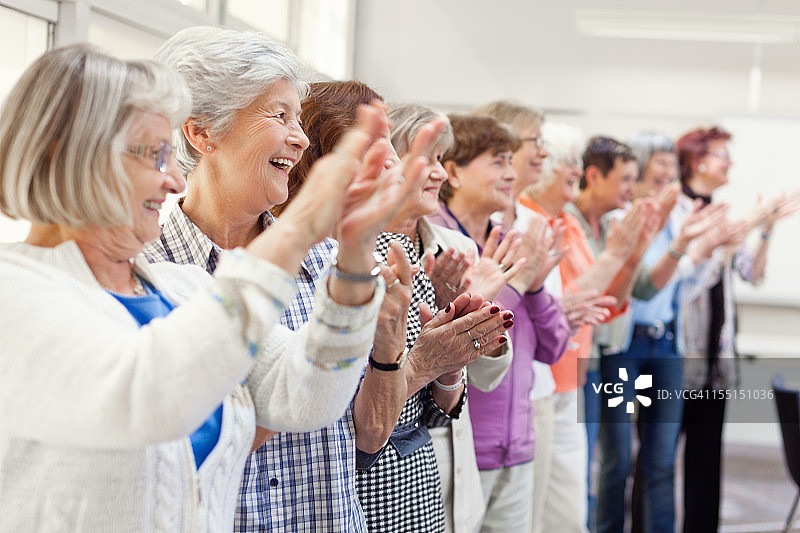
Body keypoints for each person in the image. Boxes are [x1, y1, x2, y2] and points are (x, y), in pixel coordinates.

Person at [0, 43, 417, 532]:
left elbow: (307, 398)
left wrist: (351, 260)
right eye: (155, 155)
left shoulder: (181, 286)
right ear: (72, 153)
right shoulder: (17, 289)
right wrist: (299, 227)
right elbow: (152, 394)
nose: (176, 179)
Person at [471, 101, 616, 533]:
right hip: (491, 400)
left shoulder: (536, 222)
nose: (542, 153)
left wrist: (547, 305)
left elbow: (549, 332)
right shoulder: (480, 226)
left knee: (544, 520)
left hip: (538, 386)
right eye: (533, 141)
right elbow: (489, 318)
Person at [428, 113, 572, 533]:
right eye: (497, 162)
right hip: (463, 444)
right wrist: (510, 288)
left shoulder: (511, 241)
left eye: (512, 161)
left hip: (518, 441)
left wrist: (535, 287)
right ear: (453, 172)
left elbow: (552, 347)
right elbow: (445, 350)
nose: (511, 174)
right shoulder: (438, 245)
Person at [388, 103, 524, 533]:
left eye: (441, 161)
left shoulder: (455, 245)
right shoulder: (353, 251)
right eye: (426, 159)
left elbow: (490, 373)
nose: (441, 174)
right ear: (385, 162)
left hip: (449, 460)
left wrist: (476, 317)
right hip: (386, 475)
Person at [595, 132, 727, 533]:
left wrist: (698, 247)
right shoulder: (620, 218)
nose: (669, 172)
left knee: (661, 460)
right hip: (624, 348)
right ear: (640, 168)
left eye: (672, 164)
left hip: (666, 347)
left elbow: (681, 285)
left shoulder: (678, 220)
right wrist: (679, 240)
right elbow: (641, 282)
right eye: (661, 163)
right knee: (617, 457)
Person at [676, 126, 800, 533]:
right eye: (722, 155)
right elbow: (685, 279)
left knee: (707, 460)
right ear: (698, 162)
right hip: (678, 358)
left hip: (716, 360)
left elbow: (752, 272)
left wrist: (765, 229)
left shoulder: (724, 213)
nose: (730, 163)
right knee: (658, 462)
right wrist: (746, 227)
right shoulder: (675, 211)